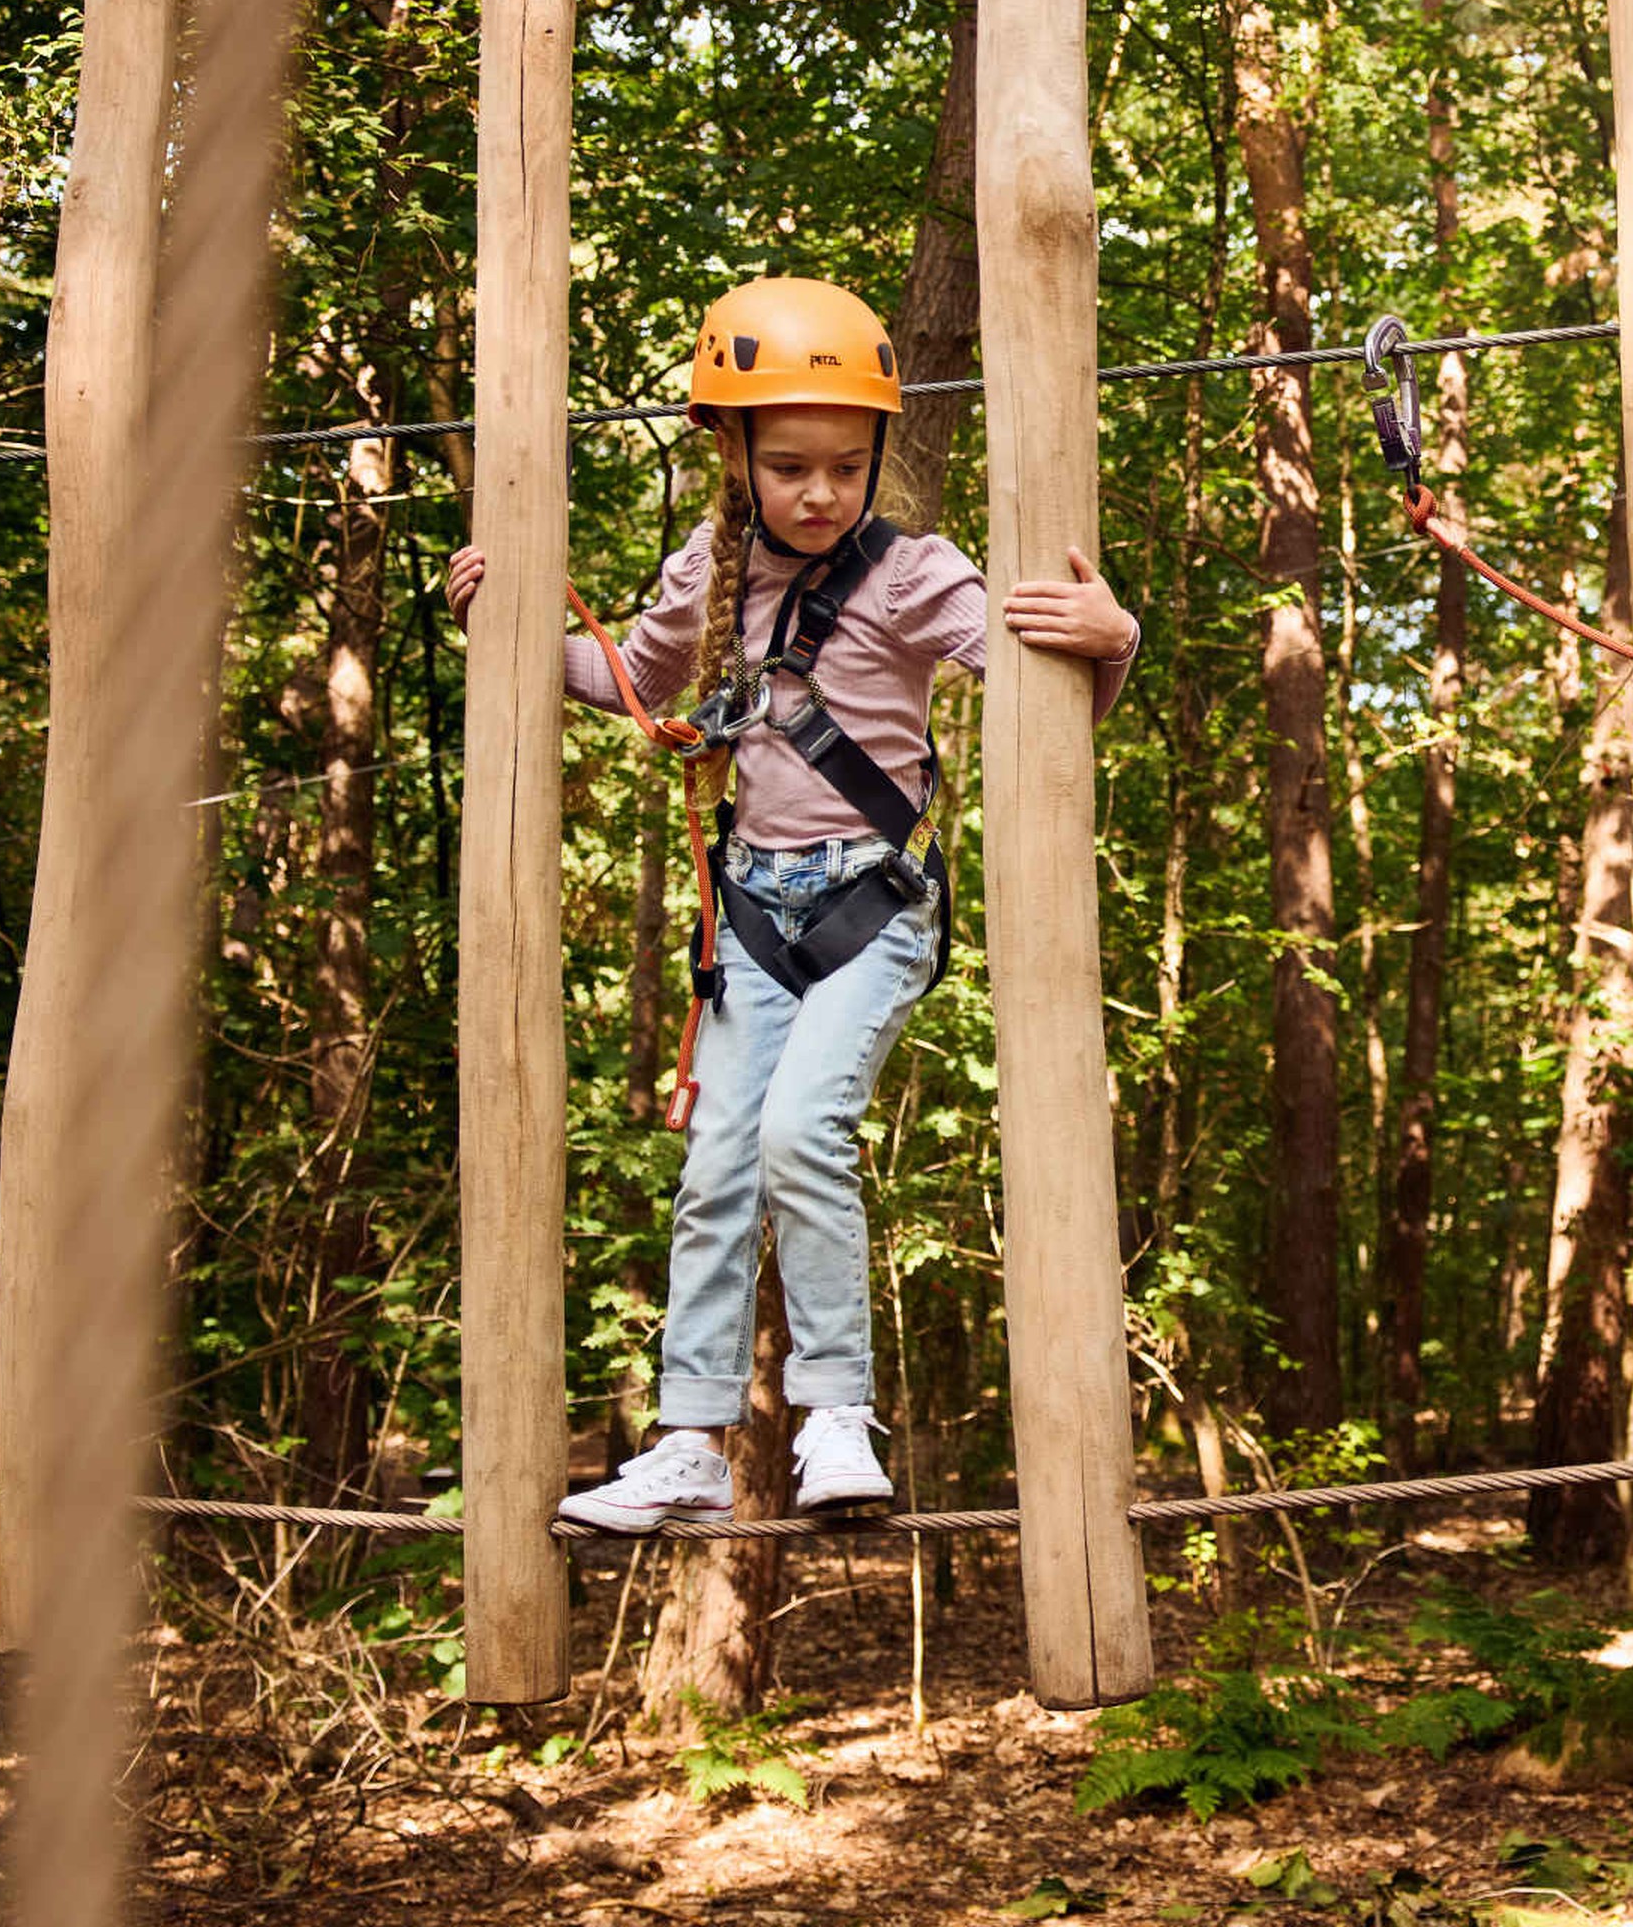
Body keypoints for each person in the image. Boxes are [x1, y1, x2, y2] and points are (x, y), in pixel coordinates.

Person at [444, 277, 1140, 1529]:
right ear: (730, 450)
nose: (821, 492)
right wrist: (501, 629)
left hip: (871, 910)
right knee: (715, 1163)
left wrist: (1112, 634)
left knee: (797, 1132)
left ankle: (833, 1417)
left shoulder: (915, 574)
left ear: (876, 457)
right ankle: (692, 1440)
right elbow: (628, 673)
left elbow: (1052, 701)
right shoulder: (711, 565)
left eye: (845, 465)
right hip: (753, 917)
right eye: (789, 466)